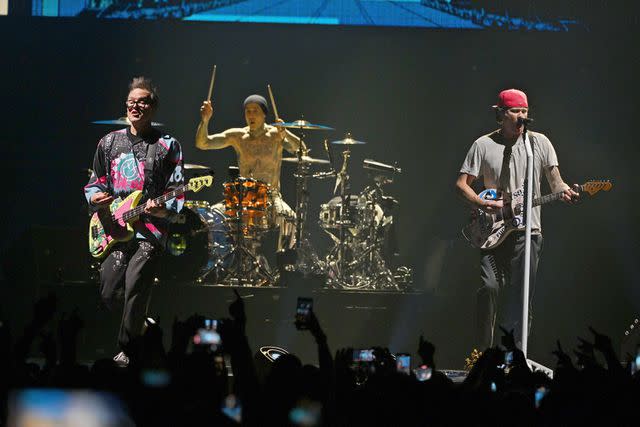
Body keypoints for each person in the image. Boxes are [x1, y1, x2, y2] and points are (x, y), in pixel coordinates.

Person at [455, 88, 579, 350]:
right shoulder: (483, 145)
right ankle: (482, 354)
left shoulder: (539, 143)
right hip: (492, 229)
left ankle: (515, 357)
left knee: (521, 298)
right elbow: (461, 185)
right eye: (515, 111)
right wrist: (482, 203)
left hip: (528, 231)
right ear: (501, 114)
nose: (521, 116)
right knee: (488, 288)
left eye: (525, 111)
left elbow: (555, 182)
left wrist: (565, 192)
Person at [84, 77, 184, 366]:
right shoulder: (109, 142)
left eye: (143, 101)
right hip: (113, 227)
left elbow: (178, 192)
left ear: (153, 107)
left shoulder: (167, 145)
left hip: (148, 231)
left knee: (136, 283)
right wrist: (97, 201)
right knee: (108, 290)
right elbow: (95, 183)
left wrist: (158, 208)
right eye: (132, 102)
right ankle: (137, 328)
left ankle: (127, 352)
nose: (136, 106)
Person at [195, 94, 305, 251]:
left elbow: (302, 150)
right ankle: (218, 260)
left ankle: (284, 265)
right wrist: (205, 120)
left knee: (291, 219)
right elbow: (202, 143)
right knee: (211, 218)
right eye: (248, 111)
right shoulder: (238, 136)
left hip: (271, 197)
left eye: (255, 111)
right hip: (242, 197)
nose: (251, 115)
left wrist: (285, 133)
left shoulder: (276, 135)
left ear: (264, 114)